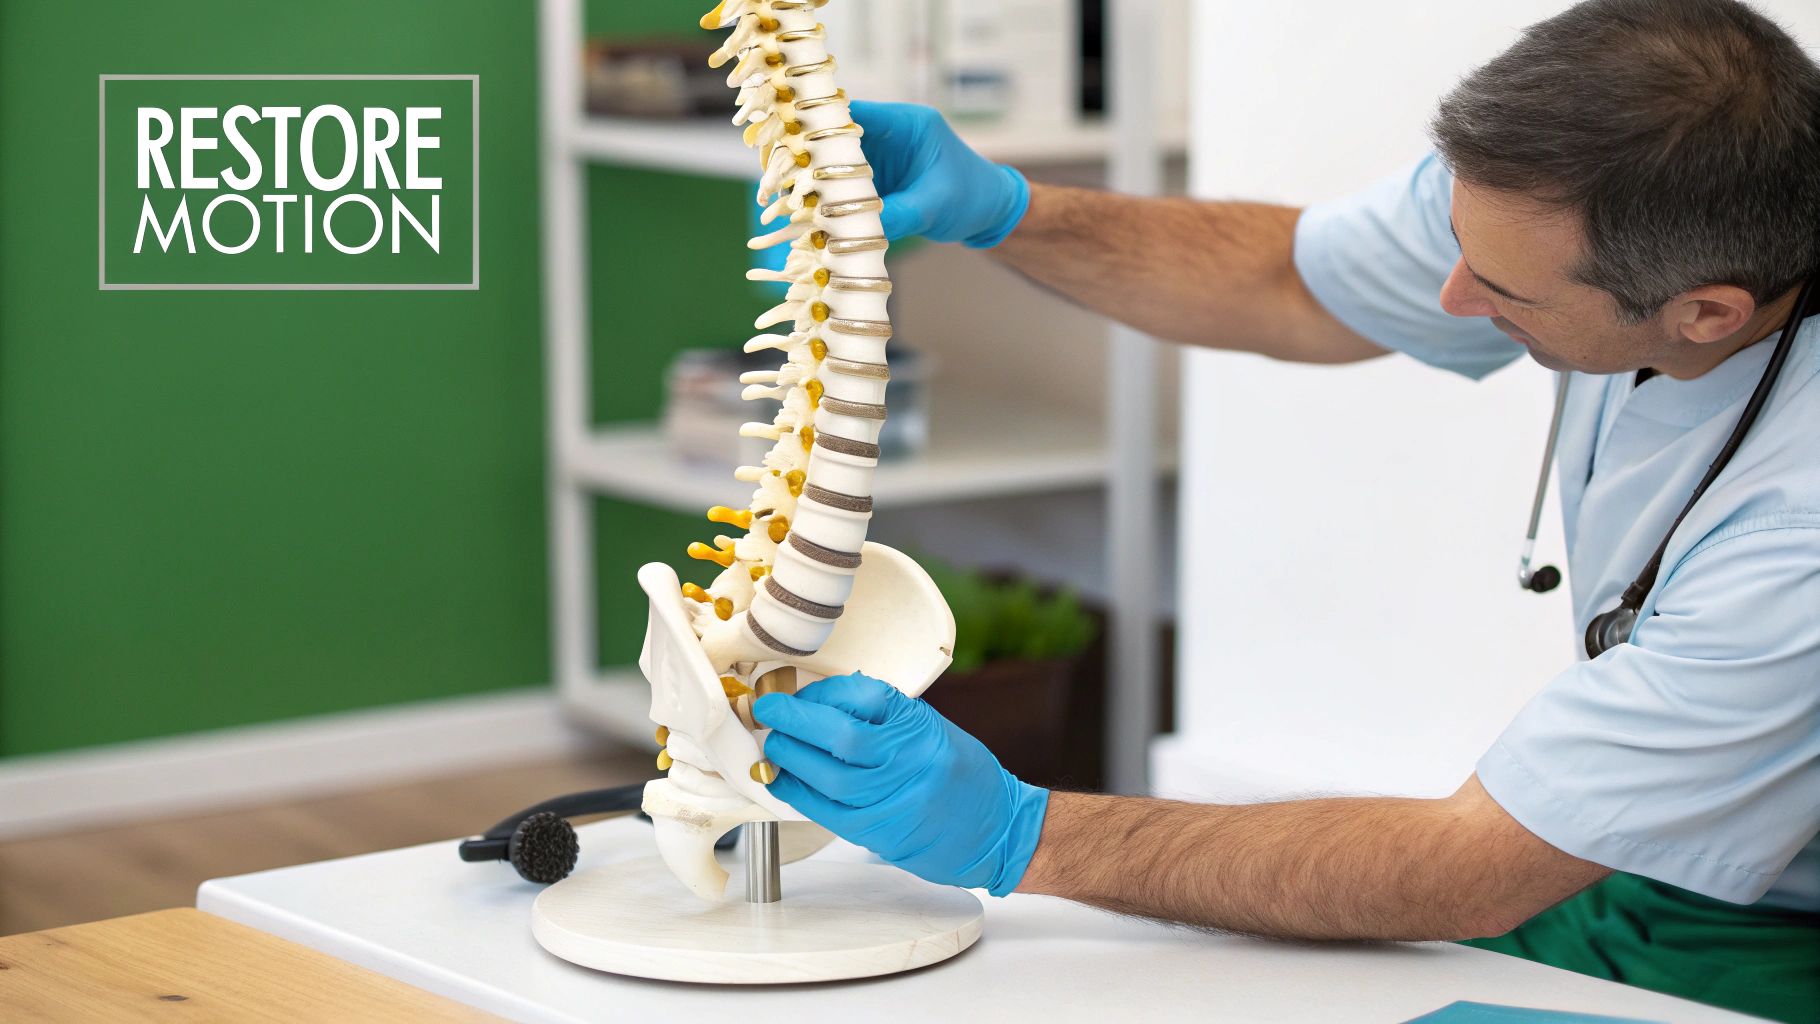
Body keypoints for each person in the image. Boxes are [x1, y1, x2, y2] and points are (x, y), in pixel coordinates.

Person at [751, 1, 1820, 1020]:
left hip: (1776, 935)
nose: (1451, 298)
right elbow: (1291, 279)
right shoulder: (1561, 194)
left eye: (1505, 294)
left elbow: (1471, 866)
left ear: (1704, 311)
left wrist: (1020, 834)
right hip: (1609, 868)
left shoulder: (1794, 537)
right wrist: (1005, 209)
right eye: (1454, 241)